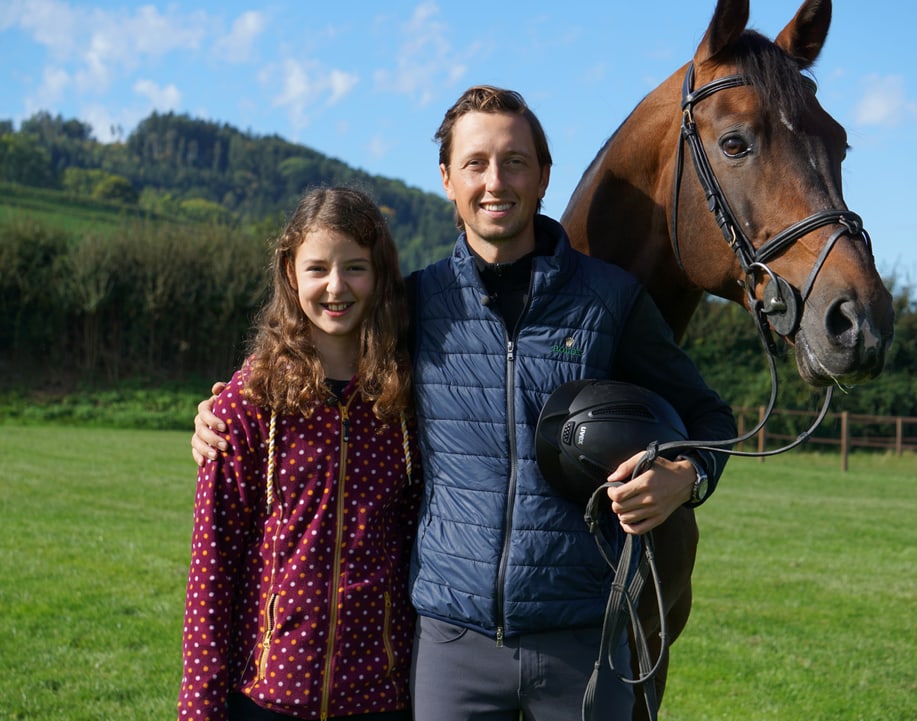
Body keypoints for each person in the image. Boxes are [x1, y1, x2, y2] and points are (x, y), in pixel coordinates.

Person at [192, 86, 737, 721]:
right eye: (475, 163)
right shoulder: (416, 301)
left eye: (514, 161)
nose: (495, 181)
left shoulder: (611, 301)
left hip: (582, 641)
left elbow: (709, 417)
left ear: (543, 177)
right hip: (451, 647)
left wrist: (686, 475)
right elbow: (320, 336)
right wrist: (226, 406)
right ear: (448, 179)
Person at [177, 187, 421, 721]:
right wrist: (199, 709)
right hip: (266, 699)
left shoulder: (406, 400)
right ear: (291, 274)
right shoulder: (247, 403)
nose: (337, 286)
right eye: (318, 269)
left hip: (380, 700)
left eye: (355, 267)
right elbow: (210, 572)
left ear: (379, 273)